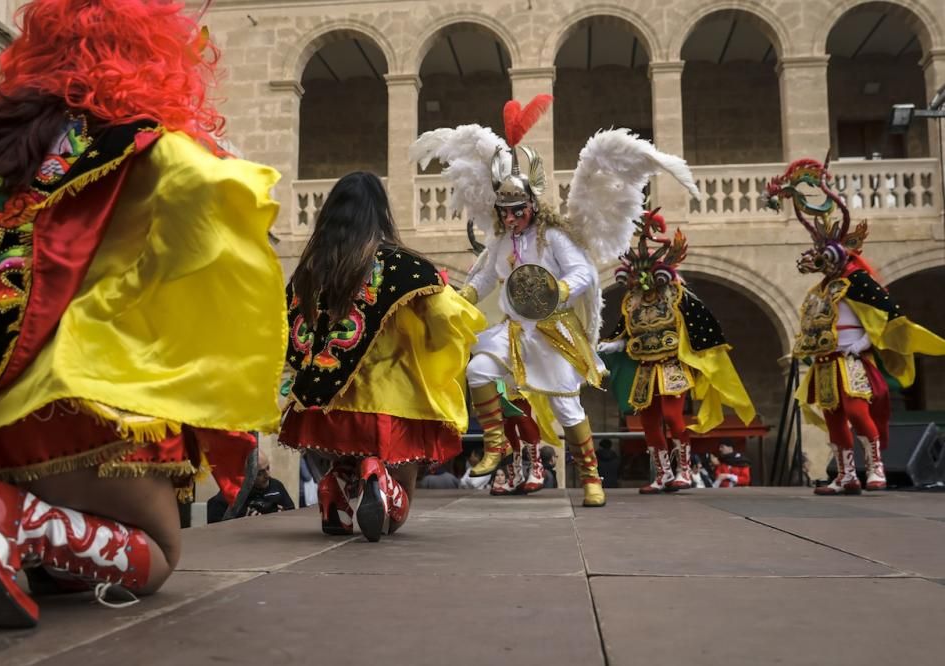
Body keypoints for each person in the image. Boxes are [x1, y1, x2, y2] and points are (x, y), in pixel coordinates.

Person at [0, 0, 288, 629]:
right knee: (158, 555)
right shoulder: (143, 141)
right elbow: (211, 203)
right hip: (86, 398)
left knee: (78, 552)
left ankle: (10, 530)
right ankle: (14, 520)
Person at [411, 102, 700, 507]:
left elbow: (584, 273)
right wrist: (465, 297)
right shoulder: (501, 243)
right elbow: (485, 276)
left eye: (517, 211)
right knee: (477, 370)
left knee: (567, 409)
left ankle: (592, 478)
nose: (510, 218)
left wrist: (559, 290)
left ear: (532, 206)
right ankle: (495, 444)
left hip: (553, 331)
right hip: (514, 330)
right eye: (504, 212)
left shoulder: (555, 238)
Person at [278, 172, 485, 542]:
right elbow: (446, 319)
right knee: (394, 517)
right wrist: (436, 346)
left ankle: (335, 494)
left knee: (345, 460)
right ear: (380, 213)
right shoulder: (406, 268)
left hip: (326, 408)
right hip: (391, 404)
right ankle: (381, 478)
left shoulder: (307, 274)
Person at [767, 158, 945, 495]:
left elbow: (886, 316)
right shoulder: (818, 292)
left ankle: (875, 467)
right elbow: (811, 325)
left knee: (856, 411)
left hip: (852, 359)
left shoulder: (859, 281)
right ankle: (846, 475)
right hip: (826, 361)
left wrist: (863, 342)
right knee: (833, 417)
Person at [598, 209, 755, 494]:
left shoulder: (678, 297)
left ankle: (684, 470)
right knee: (647, 422)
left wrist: (699, 355)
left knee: (672, 417)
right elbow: (625, 329)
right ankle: (663, 474)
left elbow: (702, 326)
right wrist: (615, 343)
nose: (643, 283)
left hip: (671, 365)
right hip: (645, 369)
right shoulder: (632, 303)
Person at [207, 450, 295, 523]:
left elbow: (292, 514)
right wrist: (242, 524)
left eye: (268, 468)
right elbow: (213, 530)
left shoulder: (276, 486)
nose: (267, 475)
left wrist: (283, 516)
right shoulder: (229, 495)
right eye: (259, 473)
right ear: (244, 474)